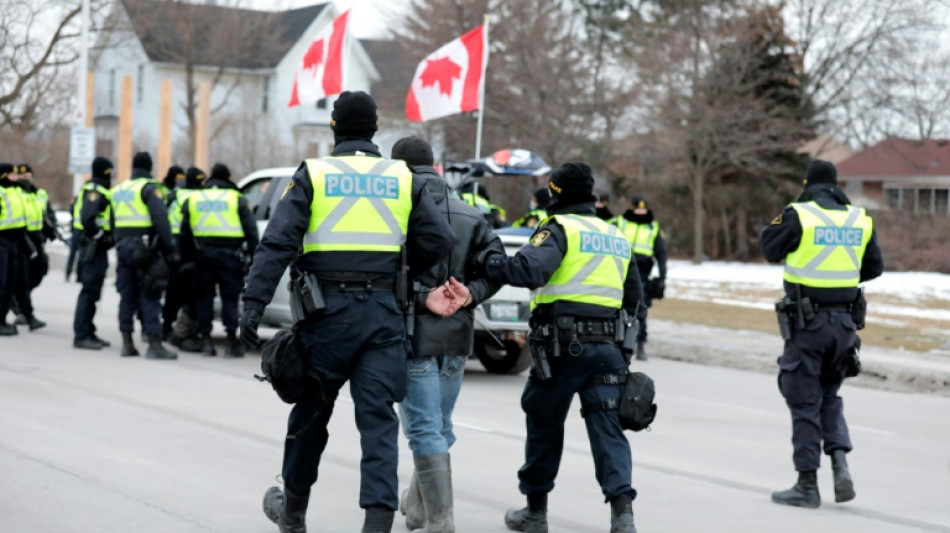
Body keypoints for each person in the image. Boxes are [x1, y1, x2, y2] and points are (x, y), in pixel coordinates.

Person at [240, 91, 455, 533]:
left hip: (326, 319)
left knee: (311, 415)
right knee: (377, 422)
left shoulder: (314, 174)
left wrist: (252, 304)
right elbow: (439, 242)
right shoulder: (402, 177)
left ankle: (293, 514)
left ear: (334, 128)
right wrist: (400, 270)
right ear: (376, 131)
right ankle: (376, 525)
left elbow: (278, 243)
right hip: (382, 316)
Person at [474, 162, 644, 533]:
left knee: (543, 422)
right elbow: (636, 302)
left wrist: (491, 261)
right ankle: (623, 518)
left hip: (563, 348)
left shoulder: (559, 228)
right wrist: (625, 351)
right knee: (607, 429)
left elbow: (527, 271)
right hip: (609, 350)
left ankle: (535, 513)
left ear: (556, 195)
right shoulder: (615, 235)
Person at [390, 136, 504, 533]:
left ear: (399, 168)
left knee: (424, 429)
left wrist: (422, 298)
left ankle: (441, 522)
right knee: (438, 426)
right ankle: (419, 508)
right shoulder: (471, 213)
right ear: (433, 167)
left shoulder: (395, 210)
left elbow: (383, 276)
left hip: (413, 335)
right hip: (457, 338)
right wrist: (472, 294)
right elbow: (497, 268)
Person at [760, 159, 883, 508]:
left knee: (803, 401)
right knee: (829, 396)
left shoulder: (799, 214)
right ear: (836, 184)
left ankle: (806, 485)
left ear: (806, 183)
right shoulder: (859, 218)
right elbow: (874, 267)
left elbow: (769, 247)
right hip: (844, 326)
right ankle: (840, 465)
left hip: (808, 326)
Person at [180, 163, 258, 357]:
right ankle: (232, 342)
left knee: (204, 298)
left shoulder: (194, 198)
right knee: (230, 299)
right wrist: (254, 256)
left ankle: (206, 341)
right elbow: (251, 231)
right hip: (229, 256)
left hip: (203, 255)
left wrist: (186, 259)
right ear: (228, 178)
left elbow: (184, 234)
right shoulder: (236, 199)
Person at [111, 152, 178, 359]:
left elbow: (113, 222)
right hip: (145, 248)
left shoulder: (119, 189)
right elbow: (161, 219)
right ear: (150, 168)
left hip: (123, 247)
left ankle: (127, 343)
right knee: (150, 294)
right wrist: (169, 249)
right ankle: (154, 344)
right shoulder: (149, 188)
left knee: (127, 295)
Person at [610, 197, 667, 361]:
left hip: (642, 272)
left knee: (639, 308)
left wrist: (663, 276)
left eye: (644, 209)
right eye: (638, 208)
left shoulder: (653, 226)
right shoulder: (620, 222)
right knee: (616, 306)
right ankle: (617, 341)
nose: (641, 211)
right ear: (632, 208)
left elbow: (661, 253)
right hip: (619, 268)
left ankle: (640, 343)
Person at [72, 157, 116, 350]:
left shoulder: (100, 189)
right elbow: (87, 219)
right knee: (89, 292)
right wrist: (100, 236)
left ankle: (89, 331)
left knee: (94, 292)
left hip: (97, 248)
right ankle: (81, 335)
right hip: (92, 247)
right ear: (105, 171)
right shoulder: (95, 191)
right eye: (110, 170)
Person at [0, 163, 45, 332]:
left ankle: (4, 320)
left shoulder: (17, 191)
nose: (16, 177)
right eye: (12, 174)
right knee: (3, 283)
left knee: (12, 282)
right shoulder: (2, 192)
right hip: (2, 241)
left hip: (17, 241)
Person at [12, 163, 56, 324]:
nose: (25, 178)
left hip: (37, 238)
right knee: (20, 276)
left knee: (39, 270)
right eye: (21, 175)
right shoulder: (15, 193)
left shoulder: (39, 194)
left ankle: (21, 301)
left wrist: (51, 229)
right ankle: (22, 309)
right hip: (20, 238)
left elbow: (47, 214)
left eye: (28, 175)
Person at [161, 165, 198, 343]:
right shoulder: (199, 197)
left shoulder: (174, 195)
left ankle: (167, 326)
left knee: (173, 290)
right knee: (189, 291)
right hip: (192, 247)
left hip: (174, 245)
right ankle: (185, 330)